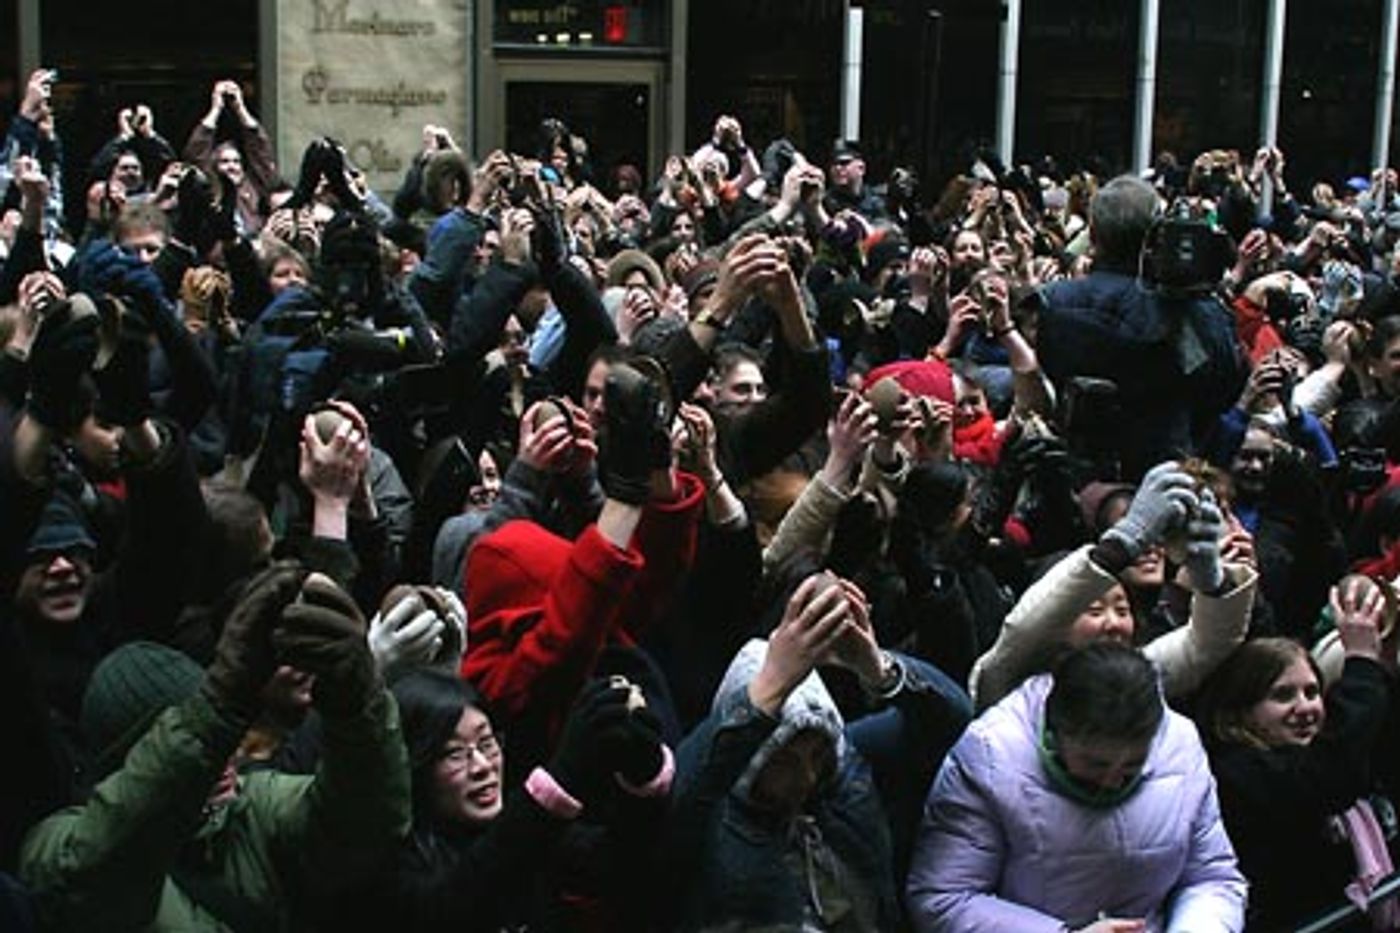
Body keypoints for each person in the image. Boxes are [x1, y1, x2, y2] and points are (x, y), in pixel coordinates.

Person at [19, 565, 410, 931]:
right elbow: (96, 870)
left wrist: (356, 705)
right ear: (136, 756)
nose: (222, 760)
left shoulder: (248, 807)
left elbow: (363, 824)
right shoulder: (56, 844)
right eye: (205, 741)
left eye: (226, 738)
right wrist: (214, 715)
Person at [669, 572, 971, 931]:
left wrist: (878, 670)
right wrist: (767, 691)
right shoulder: (711, 816)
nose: (808, 776)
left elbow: (952, 723)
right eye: (786, 759)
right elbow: (680, 799)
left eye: (817, 755)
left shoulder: (843, 776)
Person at [906, 641, 1246, 931]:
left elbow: (1212, 877)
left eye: (1132, 766)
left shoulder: (1179, 744)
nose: (1112, 780)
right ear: (1055, 733)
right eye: (1096, 764)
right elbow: (942, 898)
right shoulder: (991, 756)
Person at [339, 669, 672, 930]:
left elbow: (615, 864)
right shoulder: (383, 859)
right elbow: (450, 908)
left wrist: (642, 780)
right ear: (415, 767)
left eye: (486, 744)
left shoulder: (518, 830)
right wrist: (559, 780)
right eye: (455, 754)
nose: (483, 767)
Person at [1196, 580, 1393, 930]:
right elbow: (1329, 776)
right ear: (1240, 711)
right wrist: (1362, 663)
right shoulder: (1238, 772)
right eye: (1283, 695)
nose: (1305, 708)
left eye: (1312, 692)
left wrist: (1385, 656)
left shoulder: (1325, 750)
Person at [1035, 175, 1248, 480]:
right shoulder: (1188, 311)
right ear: (1161, 233)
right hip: (1163, 473)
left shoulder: (1054, 300)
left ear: (1093, 235)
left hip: (1072, 470)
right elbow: (1224, 384)